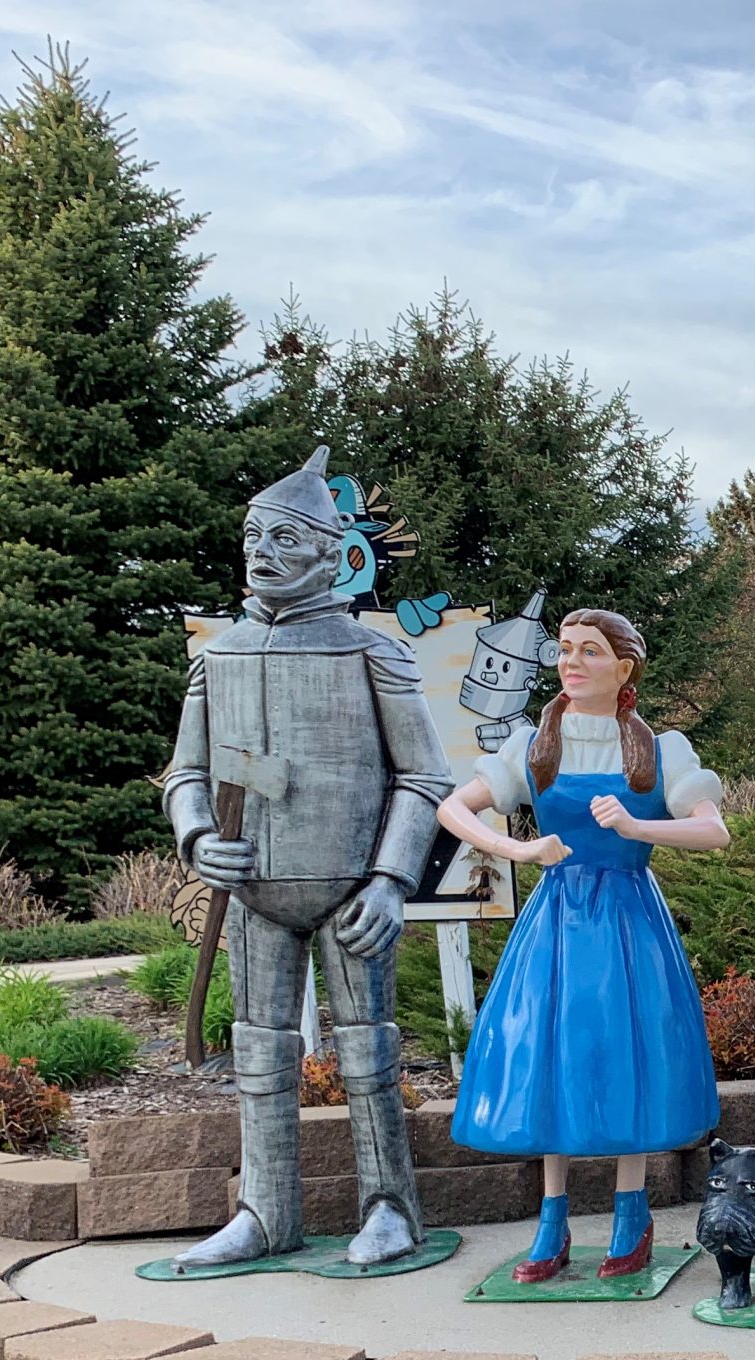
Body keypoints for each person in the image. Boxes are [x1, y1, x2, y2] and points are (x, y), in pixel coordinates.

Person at [164, 446, 452, 1272]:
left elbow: (424, 775)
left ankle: (390, 1206)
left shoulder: (373, 653)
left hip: (352, 889)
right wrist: (196, 835)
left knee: (368, 1050)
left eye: (287, 540)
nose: (264, 552)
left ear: (330, 554)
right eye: (256, 536)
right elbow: (186, 772)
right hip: (253, 891)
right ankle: (265, 1211)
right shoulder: (215, 656)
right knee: (258, 1053)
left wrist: (393, 880)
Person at [434, 608, 728, 1281]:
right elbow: (453, 808)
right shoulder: (532, 744)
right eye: (566, 649)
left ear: (623, 669)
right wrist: (518, 847)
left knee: (624, 1052)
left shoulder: (659, 748)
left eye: (590, 652)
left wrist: (636, 826)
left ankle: (632, 1210)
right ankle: (552, 1218)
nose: (571, 661)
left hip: (628, 919)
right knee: (550, 1054)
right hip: (558, 919)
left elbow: (714, 831)